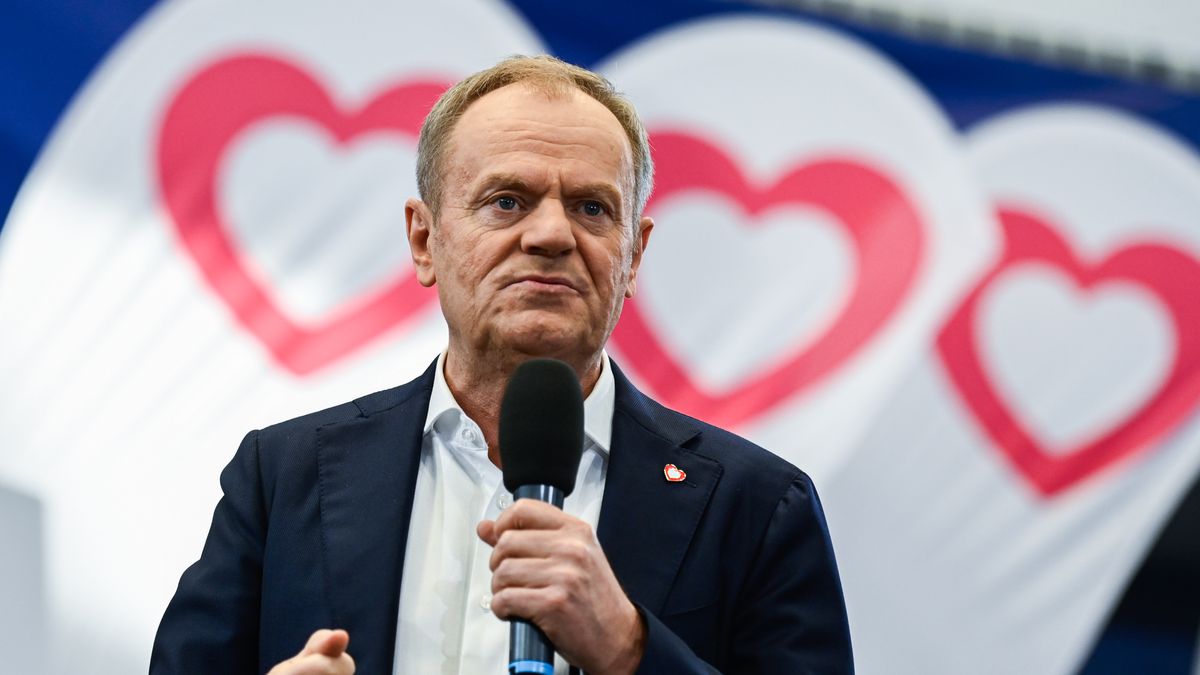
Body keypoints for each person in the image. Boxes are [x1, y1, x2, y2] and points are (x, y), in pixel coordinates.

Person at [151, 54, 853, 675]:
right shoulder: (282, 475)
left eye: (591, 208)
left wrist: (630, 651)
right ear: (424, 239)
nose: (550, 234)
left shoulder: (758, 507)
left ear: (634, 254)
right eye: (507, 201)